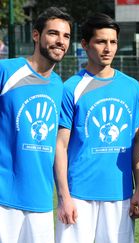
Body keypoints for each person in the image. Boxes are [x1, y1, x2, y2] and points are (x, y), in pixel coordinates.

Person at [54, 13, 139, 243]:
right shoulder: (70, 88)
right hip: (78, 196)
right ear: (85, 44)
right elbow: (60, 145)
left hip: (120, 195)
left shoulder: (131, 87)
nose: (108, 48)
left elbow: (138, 140)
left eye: (113, 42)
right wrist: (64, 196)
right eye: (101, 41)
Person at [0, 7, 71, 243]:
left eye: (66, 36)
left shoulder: (58, 85)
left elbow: (58, 145)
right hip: (3, 200)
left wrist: (64, 196)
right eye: (53, 33)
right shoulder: (6, 71)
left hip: (41, 201)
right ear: (36, 35)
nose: (60, 41)